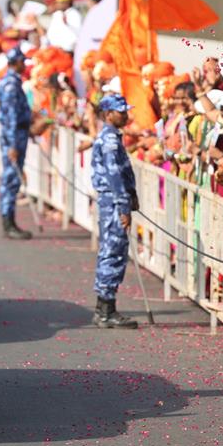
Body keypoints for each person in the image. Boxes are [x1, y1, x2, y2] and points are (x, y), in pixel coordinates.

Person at [91, 94, 139, 329]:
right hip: (113, 202)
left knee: (113, 251)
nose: (126, 115)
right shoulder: (109, 140)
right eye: (121, 111)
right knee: (113, 252)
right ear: (108, 114)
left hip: (115, 200)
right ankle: (105, 309)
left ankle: (106, 307)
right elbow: (114, 177)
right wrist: (123, 205)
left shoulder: (112, 137)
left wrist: (133, 195)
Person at [0, 46, 33, 240]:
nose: (24, 65)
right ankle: (8, 222)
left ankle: (10, 220)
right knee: (11, 180)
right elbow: (11, 117)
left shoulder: (12, 82)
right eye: (22, 61)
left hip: (18, 134)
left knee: (12, 180)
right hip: (13, 137)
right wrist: (12, 145)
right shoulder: (11, 84)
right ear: (16, 62)